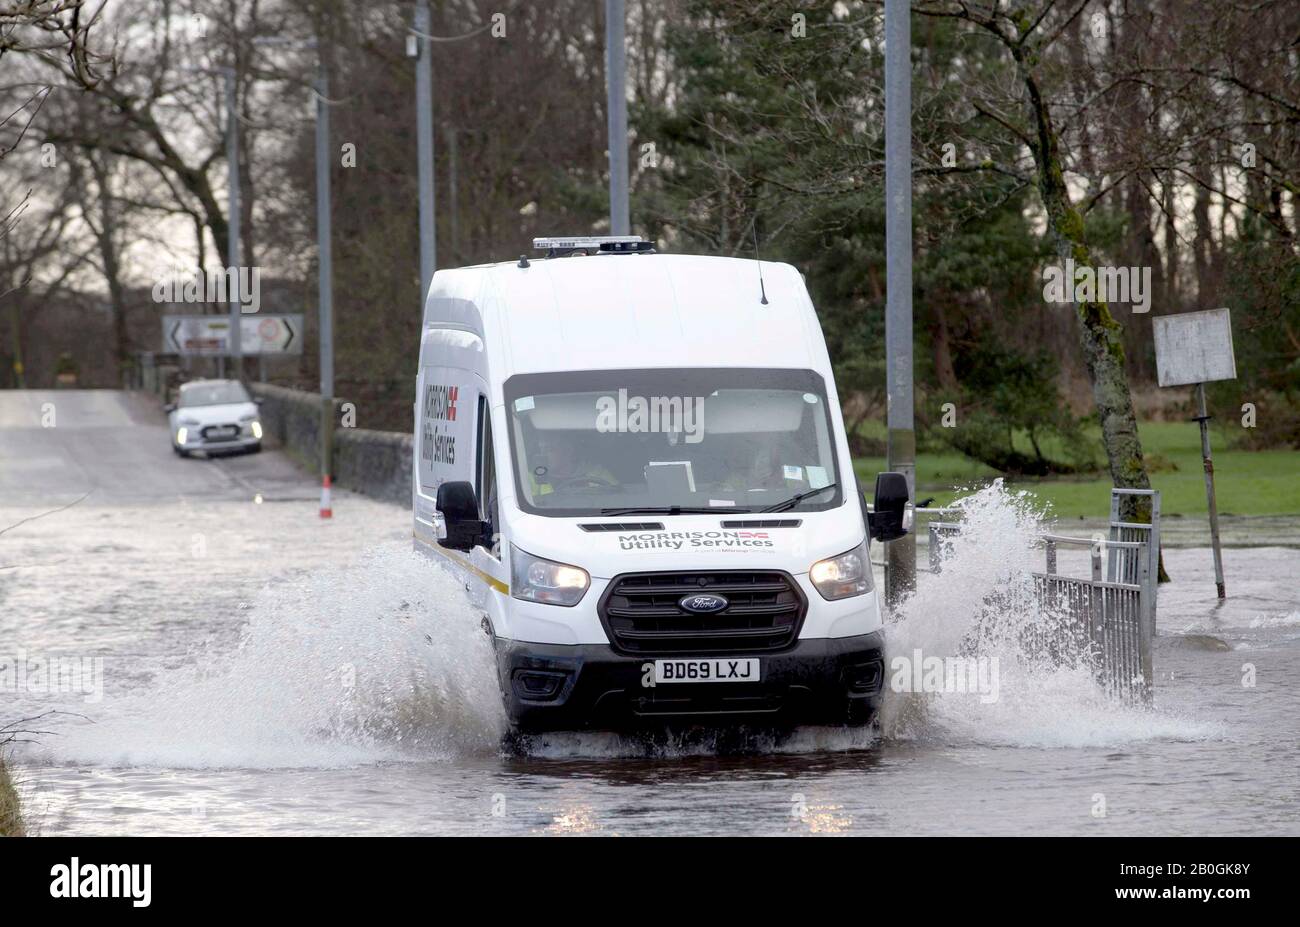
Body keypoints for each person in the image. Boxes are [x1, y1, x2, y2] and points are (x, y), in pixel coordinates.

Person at [529, 434, 617, 498]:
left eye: (549, 449)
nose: (543, 454)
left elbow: (617, 499)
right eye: (541, 449)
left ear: (568, 451)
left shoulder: (598, 474)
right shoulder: (532, 479)